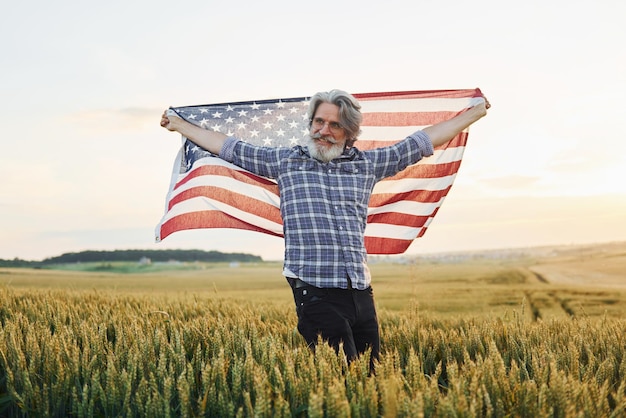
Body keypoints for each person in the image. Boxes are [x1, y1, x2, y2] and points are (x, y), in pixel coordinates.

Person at [160, 89, 489, 370]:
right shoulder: (285, 161)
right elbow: (226, 145)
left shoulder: (368, 165)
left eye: (334, 125)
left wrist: (473, 114)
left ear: (349, 131)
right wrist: (179, 126)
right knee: (341, 379)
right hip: (315, 292)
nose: (324, 130)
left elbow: (420, 142)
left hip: (361, 294)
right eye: (319, 122)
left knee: (371, 380)